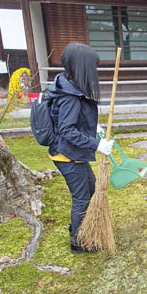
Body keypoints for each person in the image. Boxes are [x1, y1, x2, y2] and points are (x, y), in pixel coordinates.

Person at [47, 42, 113, 253]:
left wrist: (94, 128)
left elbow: (76, 120)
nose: (94, 72)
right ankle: (78, 241)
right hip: (66, 155)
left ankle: (78, 226)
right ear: (82, 67)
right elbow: (67, 129)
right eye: (92, 67)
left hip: (74, 153)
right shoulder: (69, 96)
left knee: (92, 187)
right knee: (82, 196)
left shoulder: (68, 84)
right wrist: (97, 144)